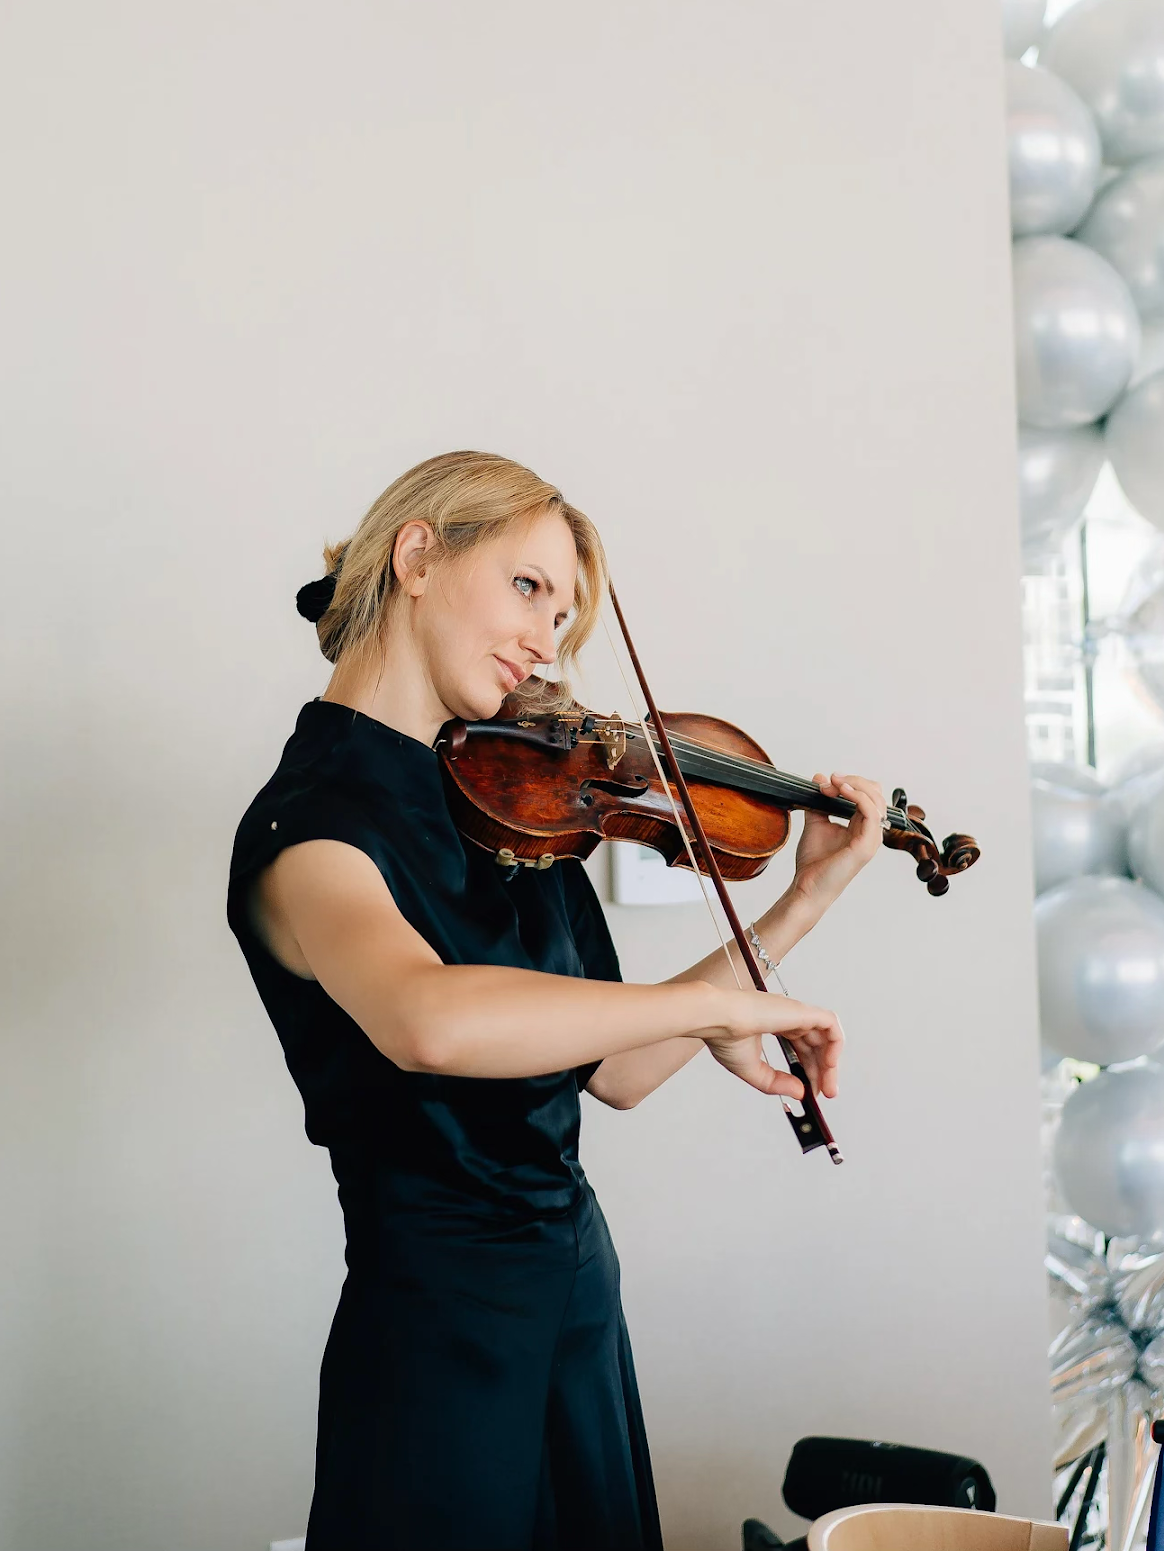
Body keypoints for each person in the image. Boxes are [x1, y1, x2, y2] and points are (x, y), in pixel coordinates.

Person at [226, 450, 886, 1551]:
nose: (546, 638)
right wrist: (720, 1015)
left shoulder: (506, 802)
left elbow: (616, 1069)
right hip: (439, 1326)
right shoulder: (312, 825)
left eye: (566, 612)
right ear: (419, 555)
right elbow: (429, 1020)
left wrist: (797, 904)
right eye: (528, 586)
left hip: (574, 1296)